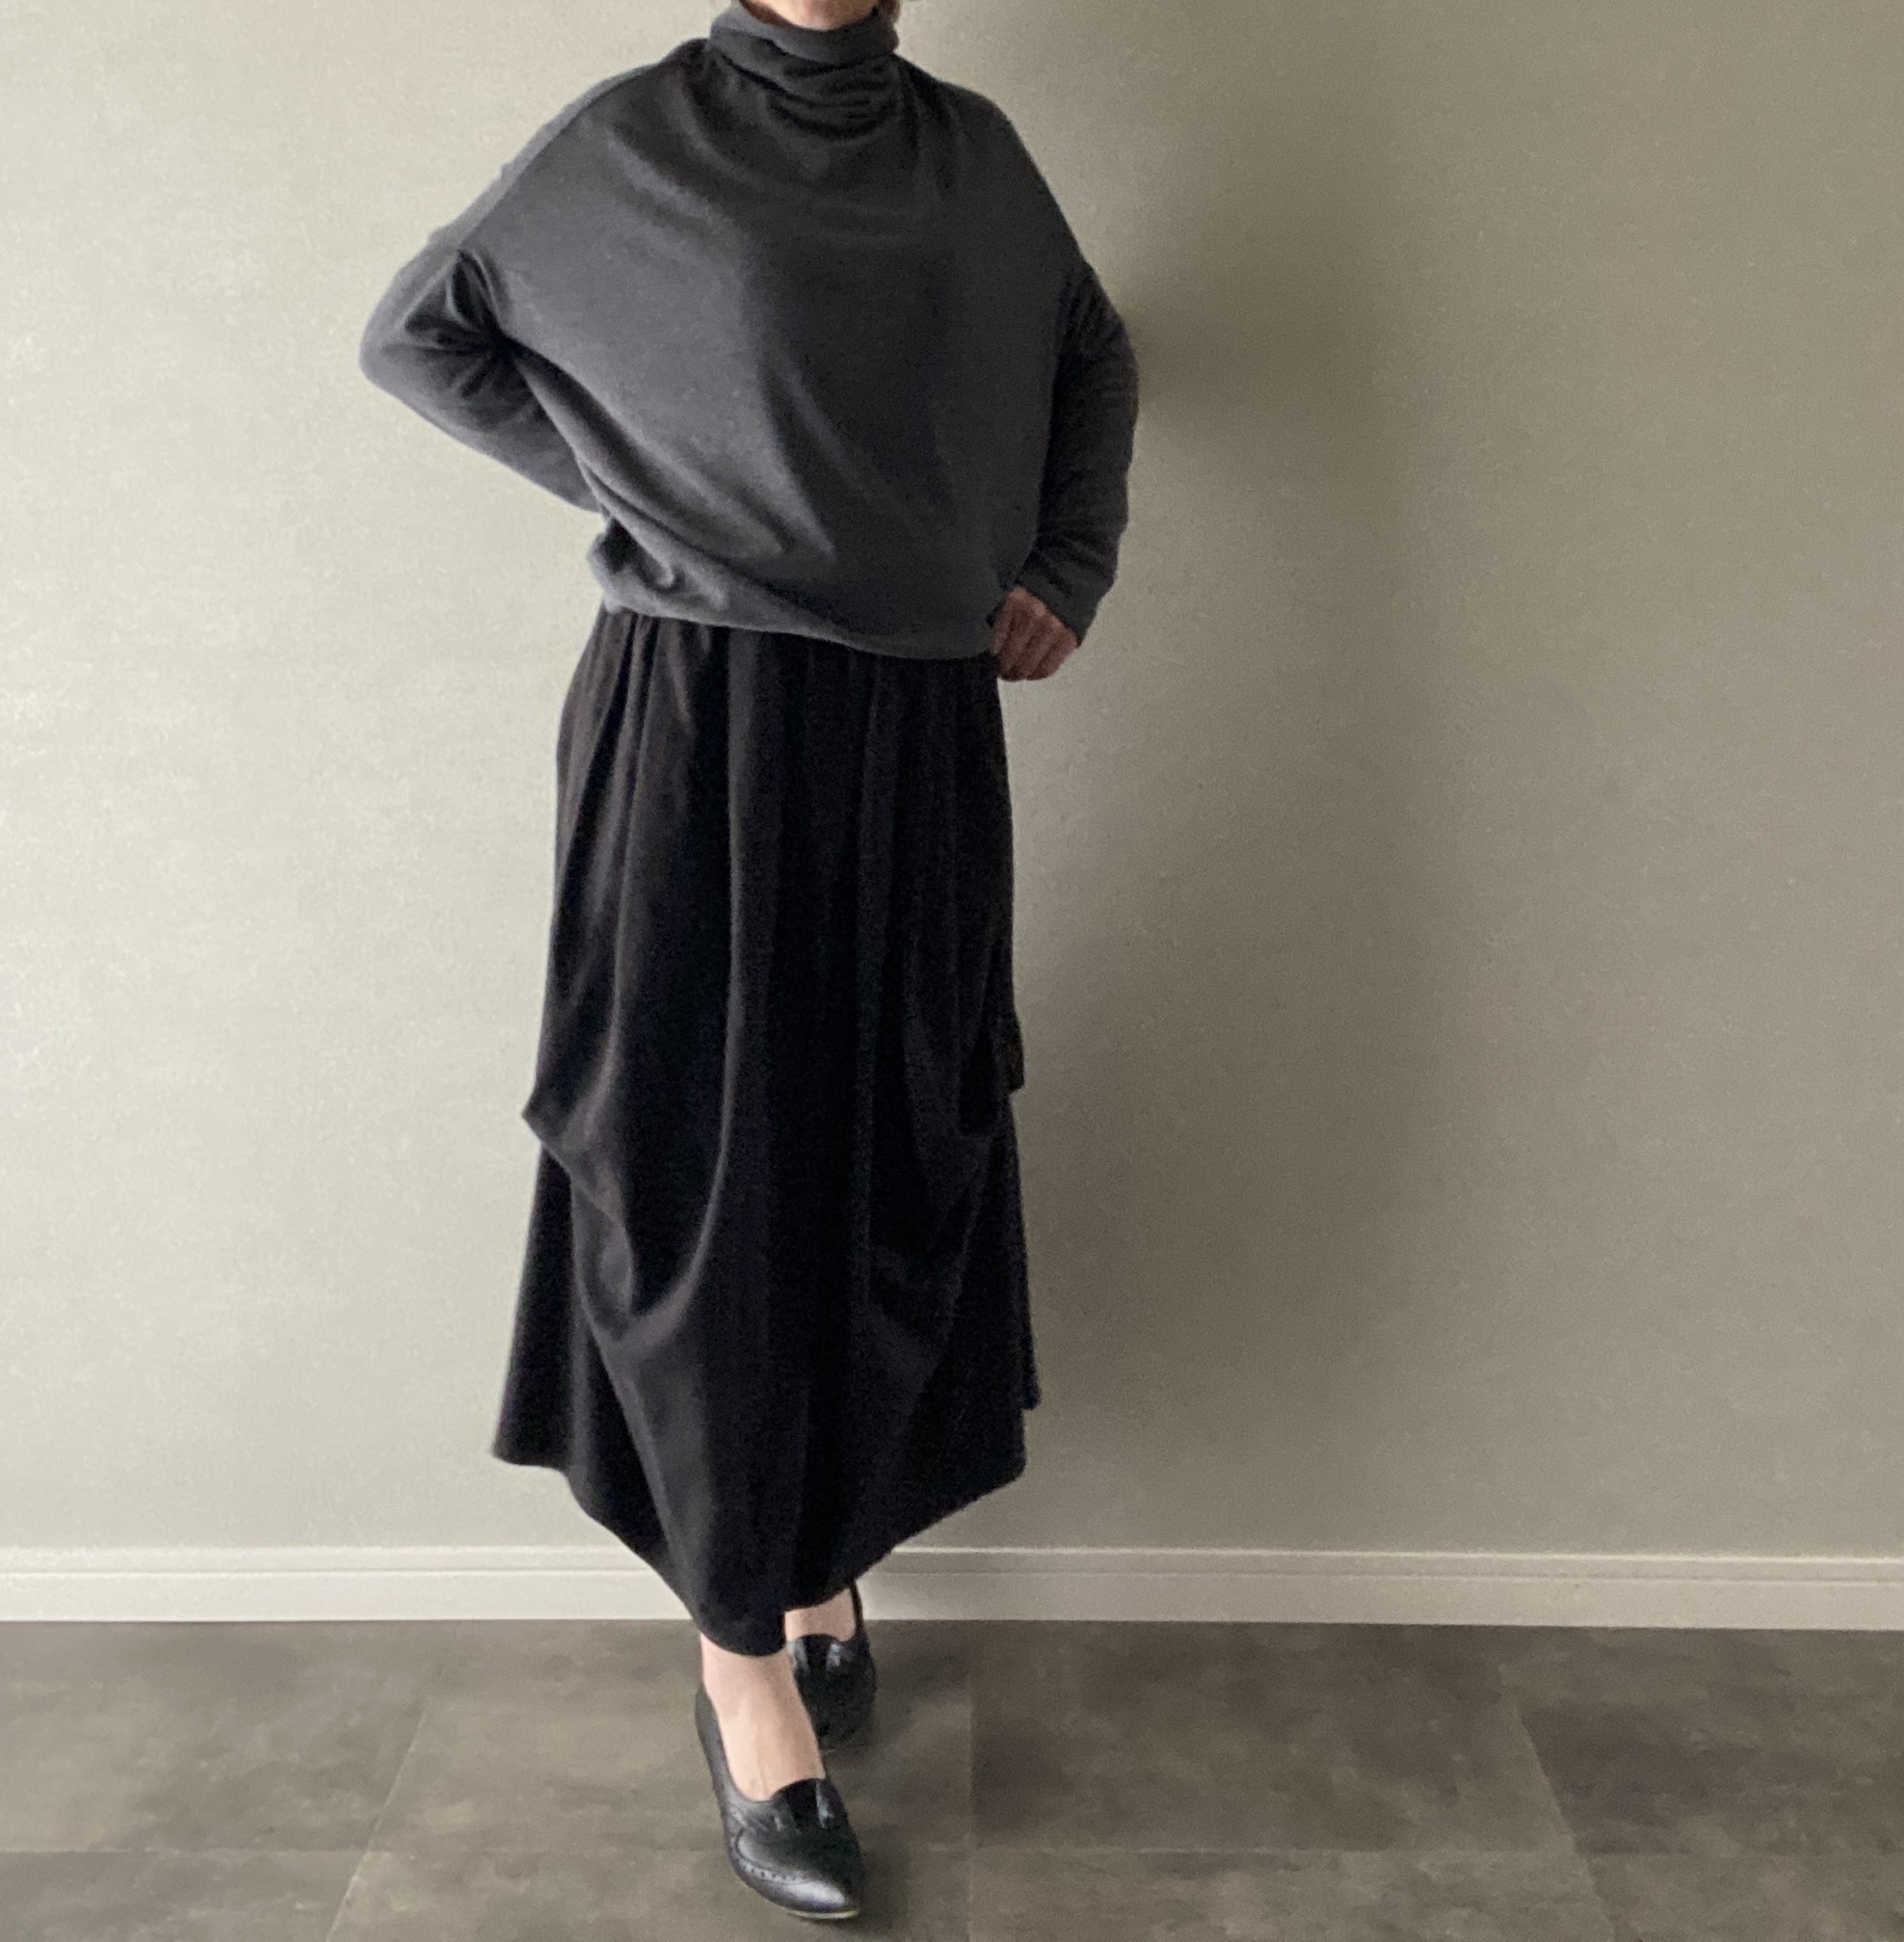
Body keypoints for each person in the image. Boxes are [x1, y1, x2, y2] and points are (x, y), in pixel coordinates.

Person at [357, 0, 1138, 1917]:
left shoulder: (970, 155)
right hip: (698, 720)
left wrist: (1068, 561)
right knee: (707, 1175)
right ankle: (742, 1666)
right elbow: (420, 334)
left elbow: (1090, 354)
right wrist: (644, 484)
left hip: (920, 728)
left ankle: (816, 1555)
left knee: (888, 1152)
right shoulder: (635, 139)